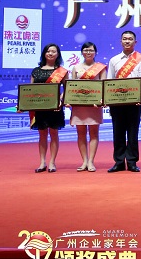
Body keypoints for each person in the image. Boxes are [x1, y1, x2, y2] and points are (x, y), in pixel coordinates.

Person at [107, 31, 141, 173]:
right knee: (118, 132)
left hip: (134, 103)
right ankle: (119, 162)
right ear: (120, 41)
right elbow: (109, 82)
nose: (127, 41)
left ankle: (132, 161)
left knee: (132, 133)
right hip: (117, 102)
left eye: (130, 39)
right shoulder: (114, 60)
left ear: (135, 42)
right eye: (124, 39)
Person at [69, 42, 106, 172]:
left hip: (94, 105)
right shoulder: (76, 68)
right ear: (82, 52)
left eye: (91, 50)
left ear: (95, 52)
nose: (88, 52)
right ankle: (84, 161)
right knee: (81, 133)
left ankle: (91, 161)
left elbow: (103, 86)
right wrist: (69, 101)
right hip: (79, 106)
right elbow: (71, 87)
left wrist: (101, 100)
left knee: (94, 133)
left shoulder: (100, 68)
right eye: (86, 50)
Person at [31, 43, 68, 173]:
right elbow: (30, 89)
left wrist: (60, 101)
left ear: (58, 54)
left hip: (55, 107)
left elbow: (67, 89)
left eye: (53, 51)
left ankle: (52, 162)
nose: (50, 53)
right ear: (44, 53)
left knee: (53, 133)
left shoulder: (62, 71)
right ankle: (42, 162)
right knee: (42, 134)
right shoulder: (36, 70)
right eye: (48, 51)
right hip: (40, 107)